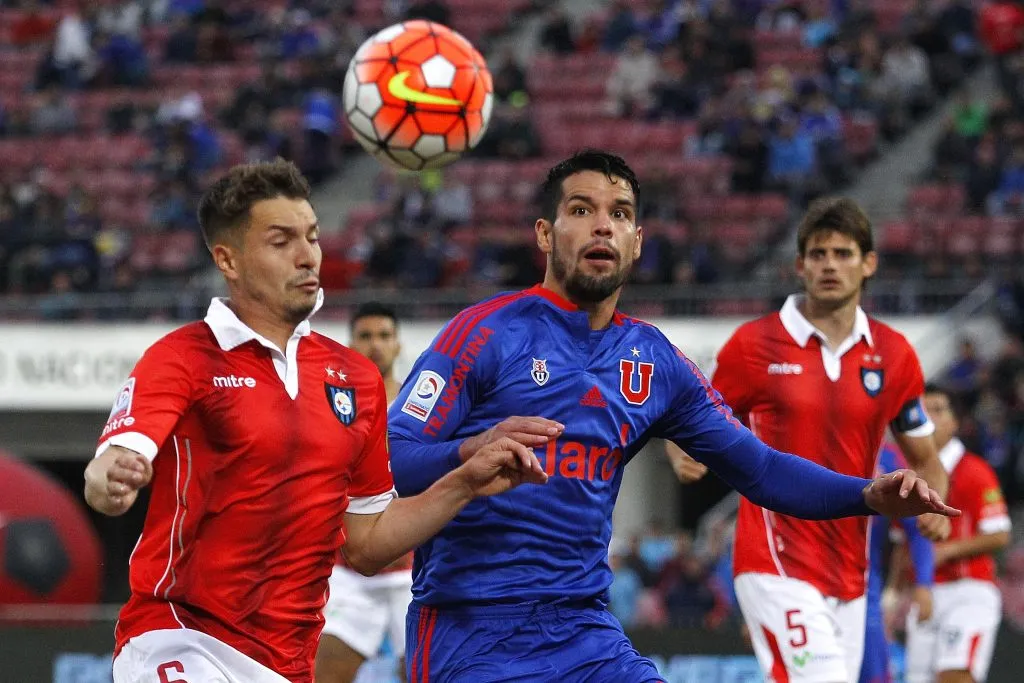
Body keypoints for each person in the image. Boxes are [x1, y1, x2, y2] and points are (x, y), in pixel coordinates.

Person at [385, 150, 957, 682]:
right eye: (580, 210)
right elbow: (393, 460)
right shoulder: (482, 333)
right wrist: (469, 452)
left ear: (637, 242)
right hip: (471, 630)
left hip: (585, 632)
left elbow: (759, 469)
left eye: (620, 214)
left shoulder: (654, 362)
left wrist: (865, 495)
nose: (602, 225)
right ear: (544, 233)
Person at [82, 159, 549, 683]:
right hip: (180, 636)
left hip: (287, 663)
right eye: (281, 241)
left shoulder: (356, 379)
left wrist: (464, 482)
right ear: (227, 260)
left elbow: (366, 543)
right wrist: (110, 478)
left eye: (312, 236)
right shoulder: (182, 356)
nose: (308, 256)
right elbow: (111, 466)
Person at [709, 196, 950, 683]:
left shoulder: (895, 355)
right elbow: (693, 419)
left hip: (851, 573)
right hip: (774, 563)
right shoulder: (752, 346)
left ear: (869, 264)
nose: (829, 265)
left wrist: (934, 503)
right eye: (818, 254)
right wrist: (682, 456)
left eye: (843, 254)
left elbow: (926, 458)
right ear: (800, 265)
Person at [317, 303, 413, 683]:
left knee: (425, 673)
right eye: (366, 336)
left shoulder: (418, 408)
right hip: (350, 571)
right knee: (322, 676)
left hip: (413, 571)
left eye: (384, 336)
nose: (376, 345)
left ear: (398, 345)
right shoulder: (333, 408)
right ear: (350, 344)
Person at [905, 385, 1011, 683]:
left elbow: (1000, 534)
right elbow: (905, 543)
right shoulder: (907, 474)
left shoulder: (975, 472)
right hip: (926, 593)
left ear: (955, 422)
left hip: (969, 590)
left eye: (938, 410)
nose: (929, 418)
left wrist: (946, 551)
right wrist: (894, 592)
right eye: (922, 411)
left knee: (954, 673)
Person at [859, 442, 935, 683]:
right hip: (802, 579)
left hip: (862, 586)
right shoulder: (804, 441)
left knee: (874, 675)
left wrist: (924, 583)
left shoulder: (888, 458)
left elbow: (916, 525)